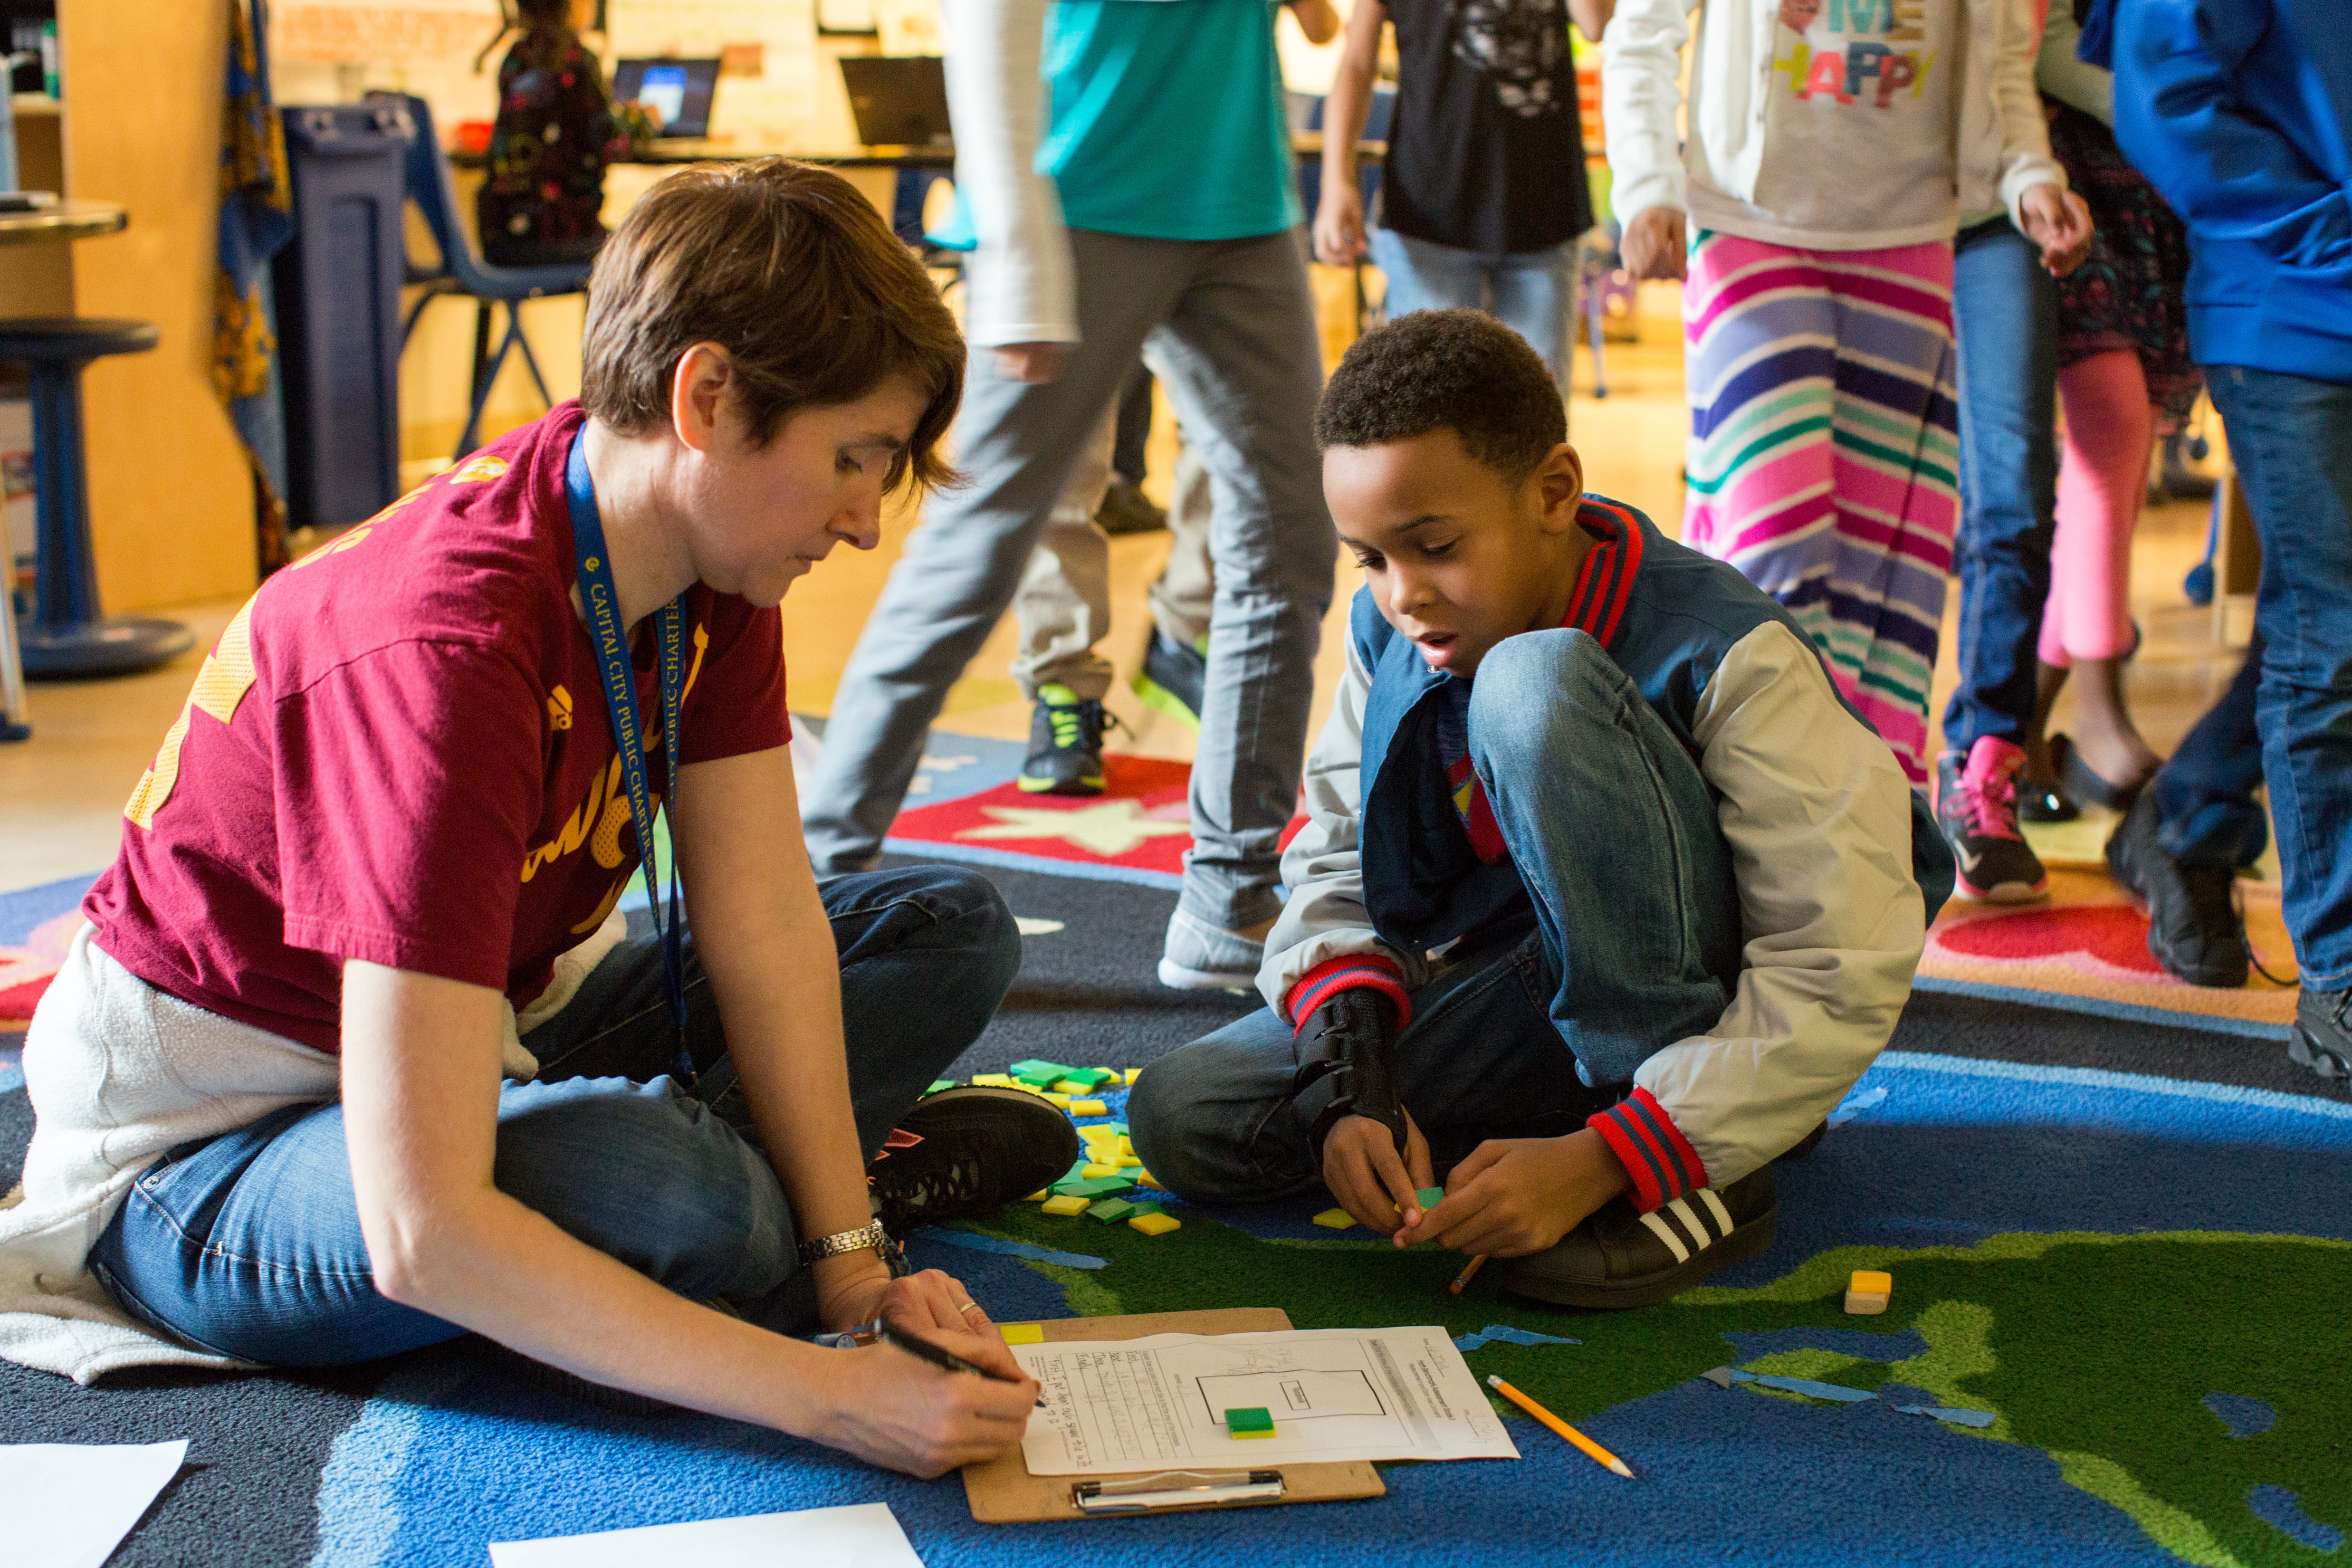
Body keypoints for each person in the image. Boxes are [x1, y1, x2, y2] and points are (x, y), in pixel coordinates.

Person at [0, 162, 1077, 1478]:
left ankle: (742, 1206)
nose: (862, 521)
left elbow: (762, 919)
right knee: (690, 1197)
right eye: (852, 458)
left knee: (945, 922)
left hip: (476, 1034)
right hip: (205, 1157)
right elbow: (423, 1229)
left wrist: (851, 1270)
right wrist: (823, 1392)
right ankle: (728, 1206)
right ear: (707, 397)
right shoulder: (445, 647)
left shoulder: (701, 557)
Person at [1128, 311, 1952, 1307]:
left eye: (1433, 545)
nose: (1403, 595)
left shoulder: (1726, 649)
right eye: (1372, 559)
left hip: (1710, 1014)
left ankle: (1701, 1166)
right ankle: (1543, 1126)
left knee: (1534, 680)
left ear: (1555, 492)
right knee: (1187, 1114)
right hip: (1513, 978)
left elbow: (1836, 961)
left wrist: (1613, 1160)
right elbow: (1339, 852)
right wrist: (1350, 1083)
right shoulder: (1393, 630)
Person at [803, 0, 1338, 992]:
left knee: (1295, 547)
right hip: (1080, 191)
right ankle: (815, 882)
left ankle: (1231, 900)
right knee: (980, 548)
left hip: (1241, 199)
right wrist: (1016, 251)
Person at [1605, 0, 2090, 786]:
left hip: (1910, 235)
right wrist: (1649, 184)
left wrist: (2029, 174)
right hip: (1750, 225)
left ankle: (1865, 804)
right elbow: (1643, 33)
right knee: (1773, 535)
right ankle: (1752, 791)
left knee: (1888, 575)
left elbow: (2002, 62)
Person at [2105, 0, 2352, 1073]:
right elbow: (2162, 95)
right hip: (2293, 305)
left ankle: (2190, 812)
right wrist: (2321, 232)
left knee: (2322, 614)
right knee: (2333, 631)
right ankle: (2340, 979)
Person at [1933, 0, 2099, 904]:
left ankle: (1984, 765)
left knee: (2017, 499)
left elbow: (2011, 68)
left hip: (1992, 217)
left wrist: (2034, 174)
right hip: (1851, 218)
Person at [2017, 0, 2199, 814]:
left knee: (2122, 459)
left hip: (2148, 182)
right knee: (2112, 429)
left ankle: (2020, 733)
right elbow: (2046, 39)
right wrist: (2172, 113)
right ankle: (2097, 715)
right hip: (2057, 173)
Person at [1316, 0, 1612, 402]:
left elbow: (1596, 22)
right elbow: (1356, 62)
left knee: (1538, 413)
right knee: (1431, 410)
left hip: (1543, 208)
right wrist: (1337, 182)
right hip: (1430, 211)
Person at [477, 0, 631, 268]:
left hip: (503, 236)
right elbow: (612, 144)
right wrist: (642, 121)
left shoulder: (514, 58)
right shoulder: (577, 60)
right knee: (646, 246)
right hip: (559, 233)